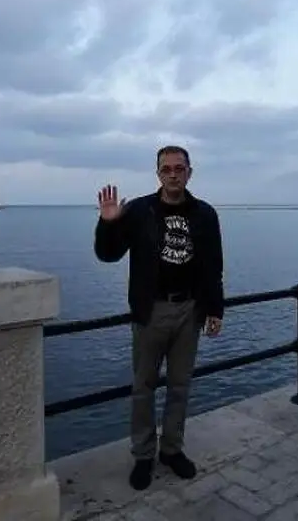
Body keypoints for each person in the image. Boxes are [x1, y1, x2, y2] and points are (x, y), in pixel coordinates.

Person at [93, 145, 224, 490]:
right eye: (166, 169)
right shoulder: (139, 210)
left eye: (179, 168)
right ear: (158, 174)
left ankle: (171, 449)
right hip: (150, 310)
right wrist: (107, 223)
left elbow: (214, 266)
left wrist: (215, 309)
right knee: (143, 387)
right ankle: (143, 455)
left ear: (189, 173)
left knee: (180, 385)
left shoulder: (205, 214)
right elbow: (107, 254)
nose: (173, 174)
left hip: (190, 310)